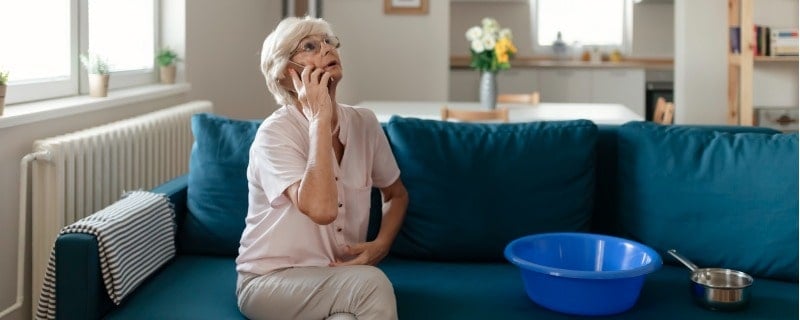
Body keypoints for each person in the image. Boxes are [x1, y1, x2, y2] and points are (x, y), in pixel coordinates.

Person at [235, 16, 409, 320]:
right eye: (310, 46)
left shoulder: (364, 123)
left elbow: (396, 194)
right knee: (371, 286)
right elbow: (322, 209)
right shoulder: (274, 134)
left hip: (335, 280)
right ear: (287, 74)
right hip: (270, 282)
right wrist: (319, 119)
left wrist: (380, 245)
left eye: (329, 41)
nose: (327, 49)